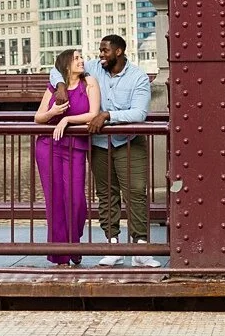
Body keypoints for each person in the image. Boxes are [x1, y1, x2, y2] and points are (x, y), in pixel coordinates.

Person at [50, 34, 157, 267]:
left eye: (105, 51)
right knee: (106, 194)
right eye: (100, 50)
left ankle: (141, 248)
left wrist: (107, 116)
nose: (100, 55)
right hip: (99, 143)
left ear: (118, 52)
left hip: (129, 141)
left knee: (136, 192)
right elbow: (58, 67)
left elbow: (139, 113)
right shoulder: (94, 68)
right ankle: (113, 245)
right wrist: (60, 86)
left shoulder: (138, 77)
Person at [33, 49, 98, 266]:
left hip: (75, 148)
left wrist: (67, 120)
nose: (81, 61)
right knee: (55, 200)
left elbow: (93, 114)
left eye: (82, 58)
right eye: (76, 58)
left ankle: (74, 243)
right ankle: (61, 255)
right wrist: (53, 113)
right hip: (48, 146)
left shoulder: (89, 83)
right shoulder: (54, 87)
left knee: (77, 200)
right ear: (66, 64)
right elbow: (38, 117)